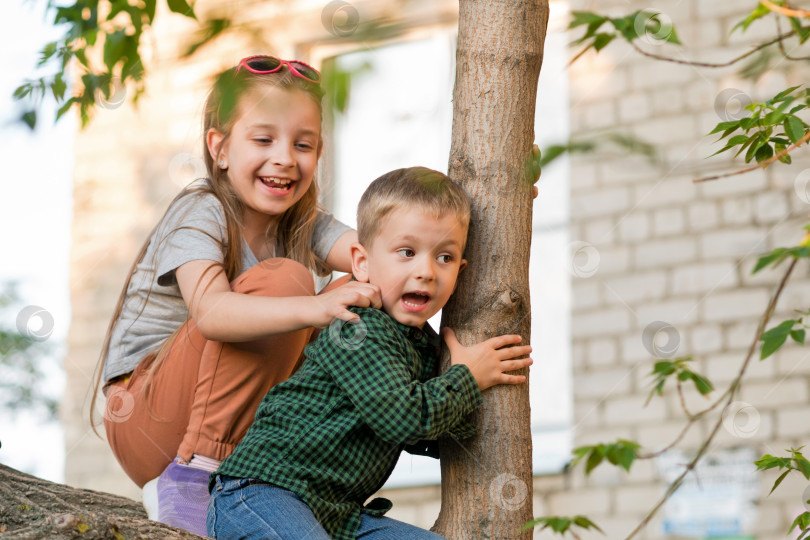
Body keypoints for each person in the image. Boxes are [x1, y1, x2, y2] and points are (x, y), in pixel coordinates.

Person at [90, 55, 383, 536]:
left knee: (355, 294)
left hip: (236, 428)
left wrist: (443, 244)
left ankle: (310, 481)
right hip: (149, 418)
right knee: (290, 284)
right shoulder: (201, 210)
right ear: (220, 148)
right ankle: (191, 476)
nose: (285, 158)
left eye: (303, 144)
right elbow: (211, 313)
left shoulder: (305, 222)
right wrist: (316, 306)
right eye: (264, 139)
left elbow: (381, 260)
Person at [207, 167, 534, 540]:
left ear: (461, 270)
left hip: (338, 515)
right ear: (361, 263)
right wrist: (467, 378)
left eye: (444, 257)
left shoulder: (425, 347)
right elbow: (407, 420)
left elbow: (431, 437)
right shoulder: (358, 327)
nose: (426, 271)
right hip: (264, 491)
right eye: (407, 252)